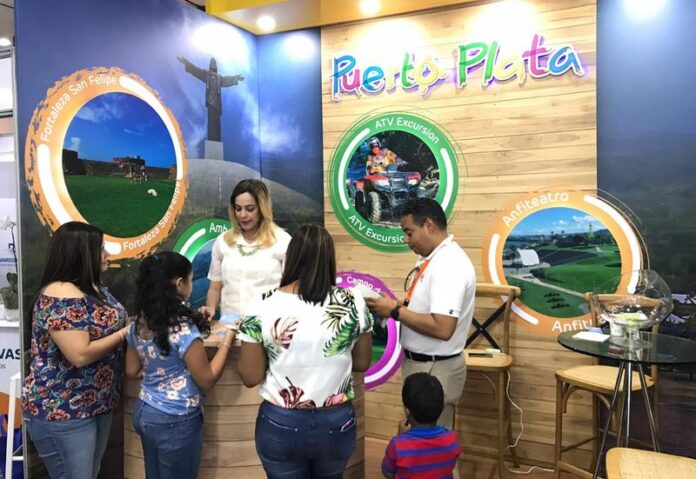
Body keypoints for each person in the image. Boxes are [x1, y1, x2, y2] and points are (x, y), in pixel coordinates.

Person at [237, 224, 373, 479]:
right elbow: (362, 362)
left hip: (281, 423)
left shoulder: (262, 304)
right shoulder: (353, 300)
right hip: (336, 422)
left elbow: (250, 376)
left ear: (291, 257)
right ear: (329, 259)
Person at [22, 221, 130, 479]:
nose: (107, 254)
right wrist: (125, 334)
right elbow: (79, 354)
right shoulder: (60, 294)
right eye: (101, 249)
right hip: (65, 409)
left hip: (96, 403)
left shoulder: (93, 287)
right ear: (82, 253)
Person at [366, 198, 476, 430]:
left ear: (429, 225)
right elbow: (428, 310)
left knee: (431, 445)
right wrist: (393, 306)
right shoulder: (434, 259)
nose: (405, 240)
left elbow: (443, 327)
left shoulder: (449, 264)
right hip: (425, 367)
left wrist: (395, 310)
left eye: (409, 233)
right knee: (420, 441)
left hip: (435, 370)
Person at [125, 252, 236, 479]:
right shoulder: (183, 330)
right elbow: (206, 379)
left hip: (145, 411)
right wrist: (227, 341)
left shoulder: (139, 323)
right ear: (179, 284)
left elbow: (132, 370)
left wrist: (163, 371)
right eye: (191, 280)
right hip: (176, 420)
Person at [202, 178, 291, 321]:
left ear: (262, 209)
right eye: (238, 209)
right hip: (229, 326)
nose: (243, 215)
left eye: (250, 209)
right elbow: (215, 287)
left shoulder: (283, 241)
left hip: (267, 326)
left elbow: (291, 290)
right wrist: (210, 308)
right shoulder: (223, 241)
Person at [382, 373, 461, 479]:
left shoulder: (398, 444)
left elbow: (388, 473)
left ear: (407, 411)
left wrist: (400, 435)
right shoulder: (452, 440)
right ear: (442, 408)